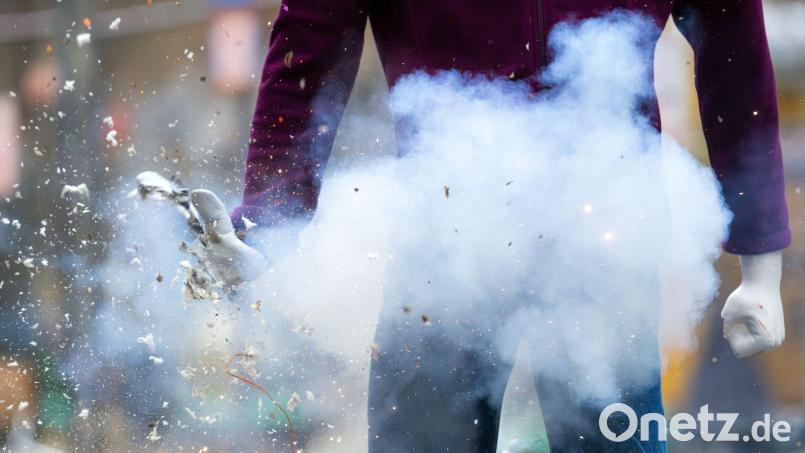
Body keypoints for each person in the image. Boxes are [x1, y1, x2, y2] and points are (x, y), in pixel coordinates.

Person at [190, 1, 790, 451]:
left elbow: (733, 47)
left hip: (604, 242)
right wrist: (271, 218)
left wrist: (761, 255)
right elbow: (310, 42)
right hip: (444, 248)